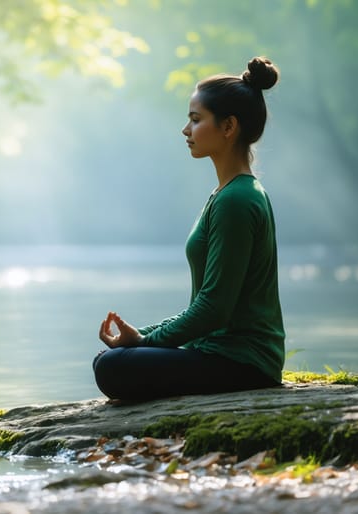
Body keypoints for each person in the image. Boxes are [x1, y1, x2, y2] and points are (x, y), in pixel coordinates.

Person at [93, 56, 285, 402]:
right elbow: (206, 304)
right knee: (109, 361)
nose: (186, 130)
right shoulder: (228, 194)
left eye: (196, 120)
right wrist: (144, 334)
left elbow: (214, 309)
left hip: (243, 363)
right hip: (220, 353)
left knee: (111, 367)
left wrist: (144, 342)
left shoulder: (237, 201)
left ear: (228, 127)